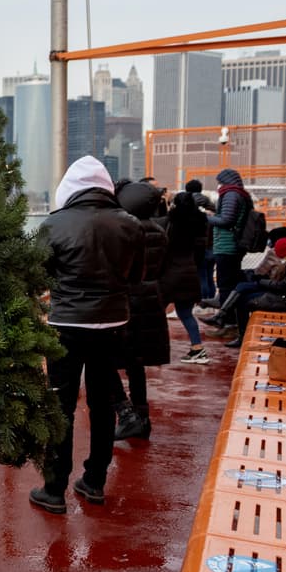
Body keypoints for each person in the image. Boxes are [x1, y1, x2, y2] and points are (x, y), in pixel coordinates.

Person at [29, 157, 142, 514]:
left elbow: (36, 275)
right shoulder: (130, 224)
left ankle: (54, 488)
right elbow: (136, 277)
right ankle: (94, 481)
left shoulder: (54, 224)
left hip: (67, 326)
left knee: (60, 406)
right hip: (112, 326)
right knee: (102, 404)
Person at [111, 180, 171, 440]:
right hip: (150, 301)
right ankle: (142, 417)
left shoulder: (123, 231)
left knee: (103, 360)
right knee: (137, 364)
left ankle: (125, 412)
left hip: (125, 301)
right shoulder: (160, 230)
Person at [226, 233, 286, 348]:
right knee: (244, 295)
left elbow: (284, 285)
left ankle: (240, 336)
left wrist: (261, 282)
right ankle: (233, 326)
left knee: (244, 302)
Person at [159, 191, 208, 364]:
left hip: (170, 272)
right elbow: (202, 249)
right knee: (186, 314)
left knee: (158, 312)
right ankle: (197, 348)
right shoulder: (201, 221)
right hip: (190, 271)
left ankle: (159, 348)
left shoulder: (170, 221)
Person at [207, 169, 251, 307]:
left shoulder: (231, 194)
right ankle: (229, 317)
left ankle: (228, 321)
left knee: (225, 283)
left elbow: (227, 220)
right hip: (232, 244)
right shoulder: (240, 194)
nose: (218, 185)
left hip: (227, 245)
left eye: (219, 182)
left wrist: (206, 218)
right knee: (230, 281)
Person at [185, 179, 216, 305]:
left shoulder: (188, 205)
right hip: (213, 246)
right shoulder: (211, 205)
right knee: (209, 276)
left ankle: (203, 302)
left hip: (198, 246)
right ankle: (212, 302)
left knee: (201, 276)